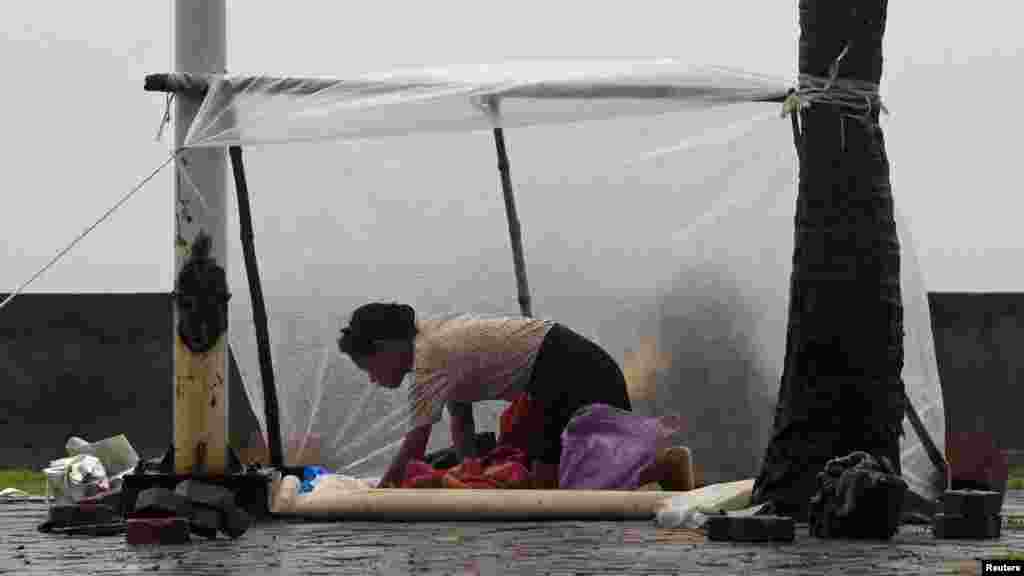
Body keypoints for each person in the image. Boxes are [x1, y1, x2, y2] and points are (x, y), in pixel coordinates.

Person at [337, 302, 632, 488]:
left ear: (386, 347)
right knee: (571, 474)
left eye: (369, 368)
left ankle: (657, 468)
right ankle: (653, 468)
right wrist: (470, 468)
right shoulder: (433, 346)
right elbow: (461, 419)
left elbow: (416, 444)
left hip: (571, 369)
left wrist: (384, 491)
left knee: (549, 489)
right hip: (567, 365)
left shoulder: (428, 357)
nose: (373, 380)